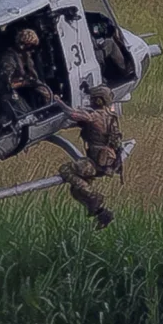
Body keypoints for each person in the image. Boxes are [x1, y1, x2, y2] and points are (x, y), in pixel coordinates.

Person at [56, 86, 124, 229]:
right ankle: (101, 213)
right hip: (108, 164)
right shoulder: (111, 116)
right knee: (75, 191)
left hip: (94, 163)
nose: (91, 102)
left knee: (66, 169)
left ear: (99, 100)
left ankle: (94, 196)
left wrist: (58, 102)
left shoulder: (96, 116)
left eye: (93, 99)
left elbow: (72, 115)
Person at [0, 28, 53, 118]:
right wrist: (24, 83)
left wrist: (47, 93)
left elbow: (33, 76)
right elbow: (5, 85)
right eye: (31, 47)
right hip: (4, 94)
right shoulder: (8, 59)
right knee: (15, 100)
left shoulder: (26, 56)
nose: (32, 51)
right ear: (24, 45)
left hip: (20, 88)